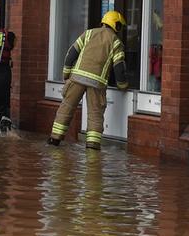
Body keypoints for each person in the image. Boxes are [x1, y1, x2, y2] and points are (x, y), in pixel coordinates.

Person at [48, 10, 129, 151]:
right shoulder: (116, 42)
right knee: (95, 114)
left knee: (66, 107)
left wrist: (66, 75)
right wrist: (123, 85)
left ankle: (55, 139)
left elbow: (70, 54)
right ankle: (92, 147)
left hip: (76, 78)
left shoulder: (89, 33)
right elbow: (119, 68)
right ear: (116, 25)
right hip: (96, 83)